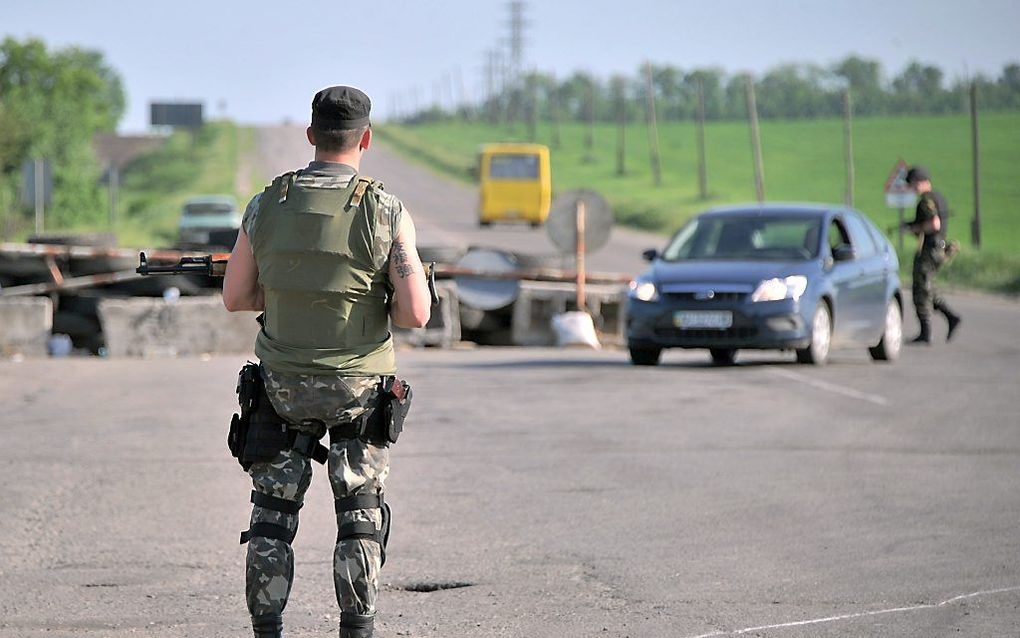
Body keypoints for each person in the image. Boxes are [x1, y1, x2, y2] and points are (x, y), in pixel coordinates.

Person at [222, 85, 431, 638]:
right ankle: (356, 629)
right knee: (359, 514)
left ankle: (267, 628)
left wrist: (289, 290)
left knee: (270, 515)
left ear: (311, 135)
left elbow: (237, 297)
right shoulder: (385, 210)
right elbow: (414, 313)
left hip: (282, 384)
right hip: (360, 386)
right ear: (366, 138)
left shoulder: (267, 203)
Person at [903, 166, 961, 344]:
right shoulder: (938, 197)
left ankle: (926, 332)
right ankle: (950, 317)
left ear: (919, 181)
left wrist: (915, 228)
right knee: (927, 289)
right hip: (938, 248)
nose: (911, 188)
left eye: (912, 184)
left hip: (930, 249)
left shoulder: (926, 200)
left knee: (921, 290)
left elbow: (934, 225)